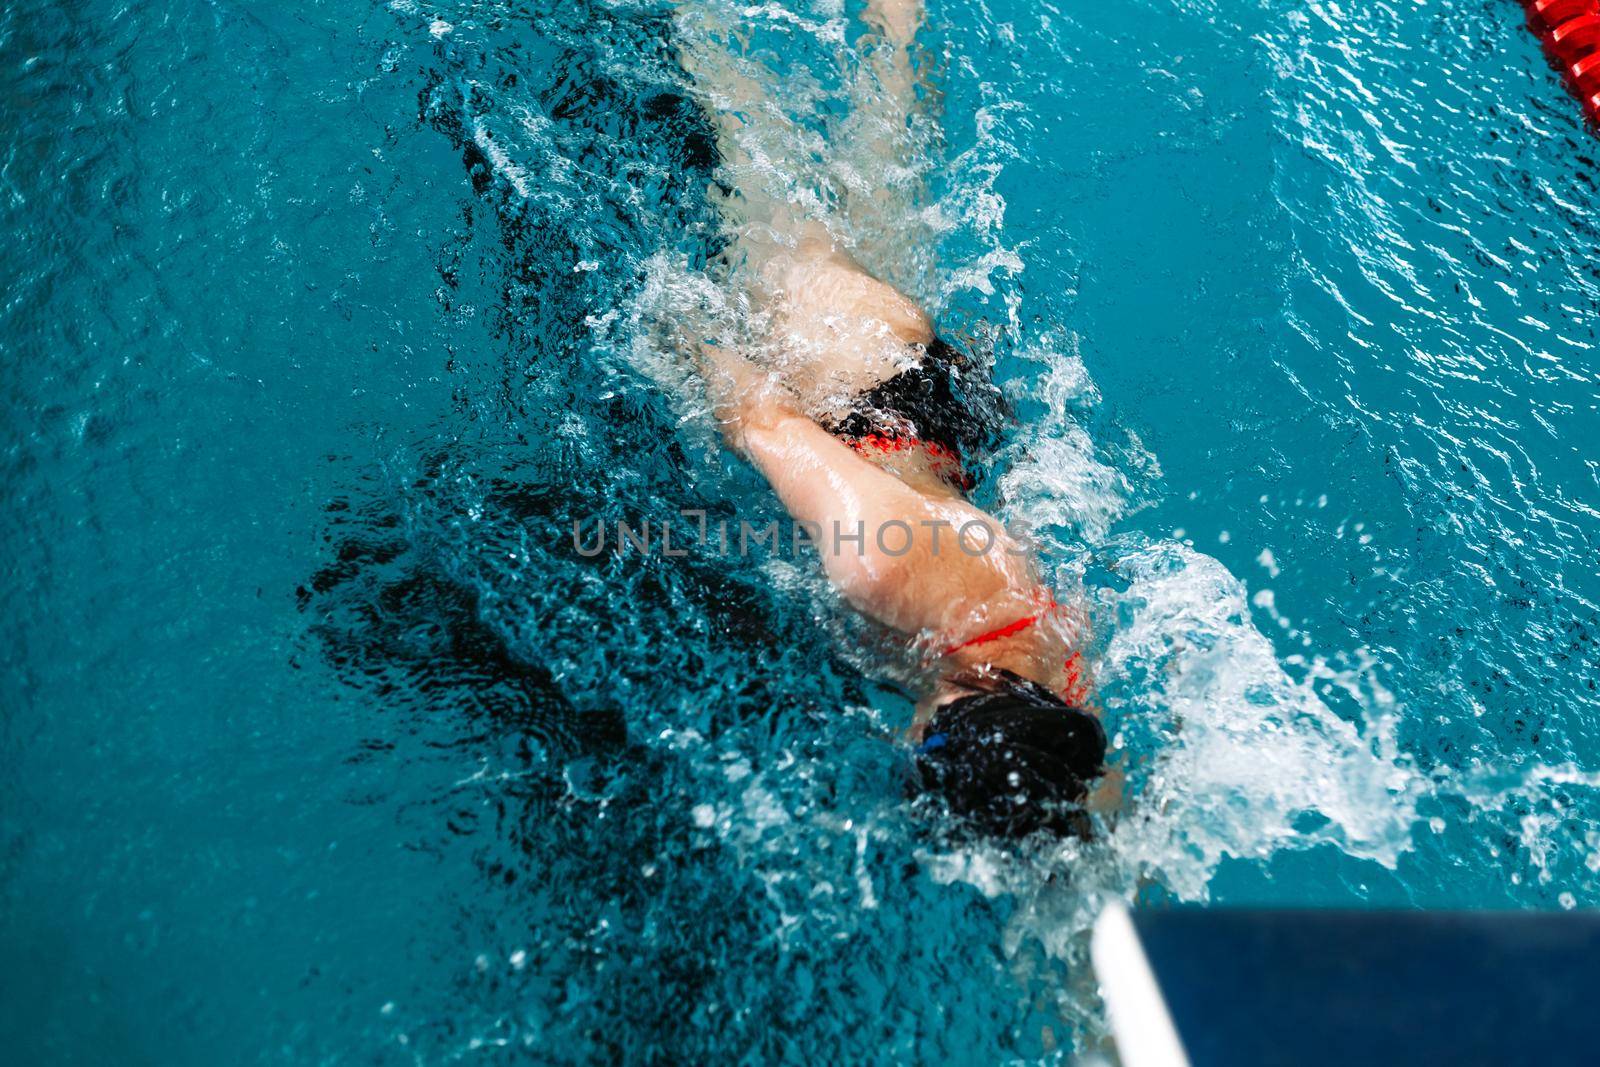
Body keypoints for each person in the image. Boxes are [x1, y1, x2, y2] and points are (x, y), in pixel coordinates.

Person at [677, 0, 1108, 836]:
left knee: (882, 164)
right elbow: (759, 416)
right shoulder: (878, 565)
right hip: (842, 372)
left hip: (939, 413)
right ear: (948, 714)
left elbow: (1093, 802)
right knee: (737, 123)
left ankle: (901, 21)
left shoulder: (1061, 701)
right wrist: (673, 332)